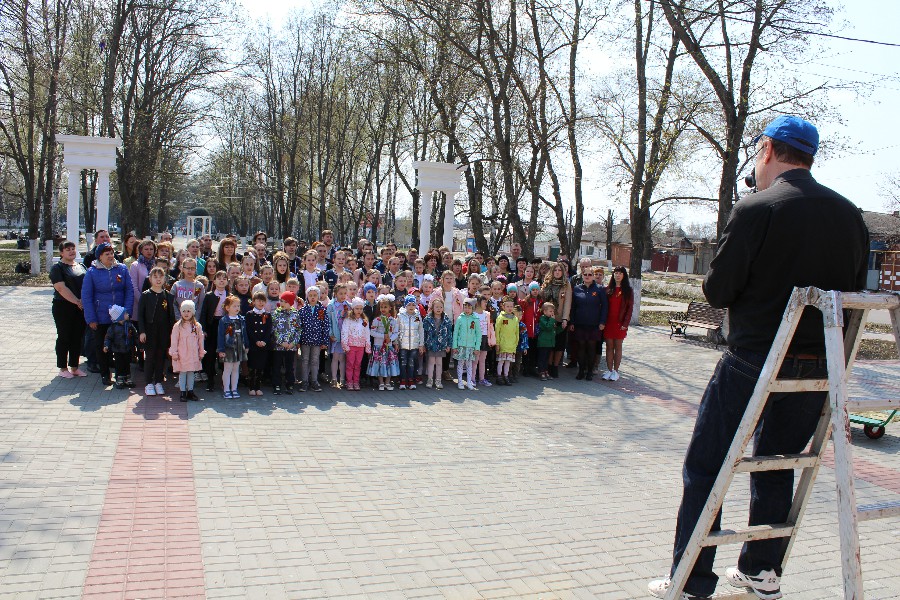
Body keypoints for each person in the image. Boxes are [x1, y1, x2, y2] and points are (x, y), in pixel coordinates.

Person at [649, 116, 869, 600]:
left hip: (755, 359)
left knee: (706, 466)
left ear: (767, 149)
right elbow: (852, 294)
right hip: (818, 367)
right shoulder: (849, 215)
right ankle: (762, 568)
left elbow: (718, 289)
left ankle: (691, 579)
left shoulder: (756, 207)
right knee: (777, 463)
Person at [82, 242, 134, 387]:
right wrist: (91, 318)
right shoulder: (92, 272)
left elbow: (129, 290)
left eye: (111, 253)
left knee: (121, 347)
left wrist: (127, 311)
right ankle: (105, 374)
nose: (111, 256)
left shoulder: (122, 269)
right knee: (102, 347)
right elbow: (86, 296)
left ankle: (122, 374)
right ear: (100, 256)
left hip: (120, 317)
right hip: (101, 317)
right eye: (107, 254)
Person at [50, 240, 88, 379]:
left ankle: (74, 367)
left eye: (73, 248)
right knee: (64, 336)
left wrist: (83, 301)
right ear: (61, 253)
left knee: (77, 337)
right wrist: (77, 301)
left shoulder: (81, 266)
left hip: (80, 307)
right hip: (63, 307)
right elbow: (61, 288)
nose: (71, 251)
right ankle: (63, 368)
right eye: (68, 249)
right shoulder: (57, 268)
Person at [137, 267, 177, 396]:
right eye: (155, 277)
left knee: (161, 356)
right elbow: (140, 315)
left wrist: (172, 333)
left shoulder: (168, 296)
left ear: (165, 279)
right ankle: (148, 383)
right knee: (150, 356)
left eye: (161, 276)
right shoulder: (146, 295)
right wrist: (142, 331)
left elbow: (171, 316)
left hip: (164, 331)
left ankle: (158, 382)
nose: (158, 279)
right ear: (150, 279)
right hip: (149, 330)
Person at [568, 268, 608, 381]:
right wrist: (572, 322)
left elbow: (605, 307)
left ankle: (589, 371)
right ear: (582, 275)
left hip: (594, 324)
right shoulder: (577, 289)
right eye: (585, 274)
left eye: (590, 274)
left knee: (591, 348)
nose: (587, 276)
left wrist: (602, 322)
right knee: (581, 347)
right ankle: (581, 371)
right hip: (580, 323)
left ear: (593, 276)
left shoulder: (599, 289)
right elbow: (573, 307)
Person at [169, 299, 205, 402]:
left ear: (192, 312)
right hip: (182, 354)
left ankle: (190, 391)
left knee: (191, 373)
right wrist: (174, 353)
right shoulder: (178, 326)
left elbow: (200, 340)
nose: (186, 313)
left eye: (188, 311)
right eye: (184, 311)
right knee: (183, 373)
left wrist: (201, 351)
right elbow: (174, 340)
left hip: (193, 354)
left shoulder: (197, 326)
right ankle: (182, 392)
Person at [540, 262, 572, 378]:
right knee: (549, 344)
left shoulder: (566, 284)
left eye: (559, 270)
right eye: (555, 270)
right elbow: (542, 299)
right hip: (548, 318)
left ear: (563, 272)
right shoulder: (547, 282)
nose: (557, 272)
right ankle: (548, 366)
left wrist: (565, 319)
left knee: (559, 344)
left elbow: (567, 302)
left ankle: (555, 366)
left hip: (560, 318)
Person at [602, 267, 634, 382]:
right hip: (608, 323)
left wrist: (625, 323)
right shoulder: (608, 289)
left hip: (620, 324)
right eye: (616, 273)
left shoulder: (628, 291)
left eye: (620, 273)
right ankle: (609, 370)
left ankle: (616, 371)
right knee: (609, 346)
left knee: (618, 346)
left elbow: (629, 309)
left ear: (624, 275)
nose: (618, 275)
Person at [199, 271, 229, 391]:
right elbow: (204, 313)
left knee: (224, 352)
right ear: (214, 281)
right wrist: (204, 329)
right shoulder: (209, 296)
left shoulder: (229, 295)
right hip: (212, 325)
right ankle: (210, 380)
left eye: (224, 278)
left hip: (225, 325)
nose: (221, 281)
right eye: (219, 278)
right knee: (210, 353)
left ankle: (224, 380)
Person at [217, 295, 250, 399]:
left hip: (239, 346)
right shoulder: (224, 320)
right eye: (234, 306)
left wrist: (247, 345)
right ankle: (226, 389)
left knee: (236, 368)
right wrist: (221, 349)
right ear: (227, 308)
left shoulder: (241, 319)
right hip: (228, 347)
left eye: (238, 306)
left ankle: (234, 389)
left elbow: (245, 333)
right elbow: (220, 335)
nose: (237, 308)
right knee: (227, 369)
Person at [271, 291, 301, 395]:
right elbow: (274, 329)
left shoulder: (295, 314)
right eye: (281, 301)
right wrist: (280, 342)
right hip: (278, 346)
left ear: (291, 303)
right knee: (277, 366)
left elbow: (298, 330)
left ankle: (290, 384)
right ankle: (277, 385)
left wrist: (293, 343)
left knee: (289, 366)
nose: (282, 303)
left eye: (285, 301)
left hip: (291, 346)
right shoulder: (276, 313)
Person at [367, 294, 400, 390]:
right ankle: (381, 382)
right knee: (379, 364)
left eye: (385, 307)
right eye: (381, 307)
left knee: (389, 364)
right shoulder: (377, 320)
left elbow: (396, 332)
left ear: (390, 308)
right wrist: (382, 336)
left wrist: (391, 339)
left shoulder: (393, 320)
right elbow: (372, 332)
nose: (383, 309)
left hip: (389, 346)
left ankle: (387, 382)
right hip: (378, 346)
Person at [245, 292, 273, 396]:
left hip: (264, 344)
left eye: (263, 301)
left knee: (261, 367)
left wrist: (264, 341)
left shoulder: (267, 315)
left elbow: (268, 329)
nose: (261, 303)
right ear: (253, 302)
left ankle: (258, 387)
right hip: (253, 344)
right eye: (258, 300)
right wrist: (256, 340)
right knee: (252, 366)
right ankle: (251, 387)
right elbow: (249, 329)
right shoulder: (249, 314)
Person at [341, 297, 371, 391]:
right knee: (350, 364)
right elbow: (344, 332)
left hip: (361, 346)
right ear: (353, 308)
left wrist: (367, 346)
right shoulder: (348, 319)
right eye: (357, 308)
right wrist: (345, 345)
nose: (359, 311)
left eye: (361, 309)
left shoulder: (364, 320)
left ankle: (356, 381)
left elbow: (367, 333)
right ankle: (349, 381)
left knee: (358, 365)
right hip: (351, 345)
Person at [103, 304, 136, 389]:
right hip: (117, 350)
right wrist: (106, 346)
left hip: (127, 349)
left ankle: (127, 378)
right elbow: (108, 338)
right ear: (120, 317)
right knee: (119, 364)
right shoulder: (113, 328)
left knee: (127, 364)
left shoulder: (129, 325)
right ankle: (119, 378)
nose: (128, 314)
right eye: (125, 314)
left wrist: (139, 345)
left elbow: (135, 335)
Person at [423, 297, 453, 389]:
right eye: (436, 307)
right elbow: (424, 332)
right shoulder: (427, 319)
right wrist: (423, 344)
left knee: (439, 363)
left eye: (440, 307)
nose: (439, 309)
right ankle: (430, 380)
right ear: (432, 308)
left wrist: (449, 345)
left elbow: (449, 333)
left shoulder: (446, 320)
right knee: (431, 362)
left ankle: (438, 380)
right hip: (431, 345)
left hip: (441, 345)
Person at [396, 294, 425, 389]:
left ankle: (411, 379)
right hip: (403, 344)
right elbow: (396, 330)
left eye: (413, 304)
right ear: (405, 305)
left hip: (414, 344)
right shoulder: (400, 316)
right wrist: (396, 342)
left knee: (412, 362)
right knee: (403, 362)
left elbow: (420, 330)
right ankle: (403, 380)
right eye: (409, 305)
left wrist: (421, 344)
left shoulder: (417, 316)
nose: (411, 307)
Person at [452, 298, 480, 391]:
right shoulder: (460, 318)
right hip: (461, 346)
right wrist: (455, 346)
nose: (467, 309)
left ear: (473, 309)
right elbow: (456, 333)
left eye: (469, 308)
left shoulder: (475, 319)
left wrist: (477, 347)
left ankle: (469, 382)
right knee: (460, 364)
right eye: (465, 307)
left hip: (471, 346)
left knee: (469, 365)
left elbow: (478, 334)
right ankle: (460, 382)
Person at [326, 283, 350, 388]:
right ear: (335, 294)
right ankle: (334, 379)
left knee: (343, 358)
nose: (343, 296)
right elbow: (328, 321)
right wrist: (330, 333)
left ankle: (343, 379)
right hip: (335, 335)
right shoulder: (331, 306)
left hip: (344, 335)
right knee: (335, 357)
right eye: (341, 293)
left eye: (345, 293)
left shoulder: (348, 305)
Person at [493, 296, 519, 386]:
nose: (509, 308)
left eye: (511, 306)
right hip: (503, 344)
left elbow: (516, 332)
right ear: (503, 307)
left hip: (511, 345)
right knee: (501, 361)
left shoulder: (515, 319)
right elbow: (497, 331)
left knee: (508, 362)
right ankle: (499, 376)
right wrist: (497, 343)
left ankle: (506, 376)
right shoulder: (501, 318)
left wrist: (516, 342)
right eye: (507, 306)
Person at [473, 296, 496, 388]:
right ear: (478, 303)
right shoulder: (473, 314)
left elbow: (490, 327)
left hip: (485, 338)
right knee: (475, 361)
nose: (486, 304)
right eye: (484, 302)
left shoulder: (487, 314)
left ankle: (482, 379)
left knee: (483, 360)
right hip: (476, 339)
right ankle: (472, 379)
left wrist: (491, 339)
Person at [536, 302, 561, 381]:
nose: (552, 313)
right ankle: (541, 372)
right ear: (544, 311)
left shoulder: (551, 320)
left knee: (547, 358)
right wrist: (552, 320)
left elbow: (554, 330)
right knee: (542, 358)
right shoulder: (542, 319)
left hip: (550, 343)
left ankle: (545, 371)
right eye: (550, 311)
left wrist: (561, 328)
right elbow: (548, 327)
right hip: (543, 343)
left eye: (553, 311)